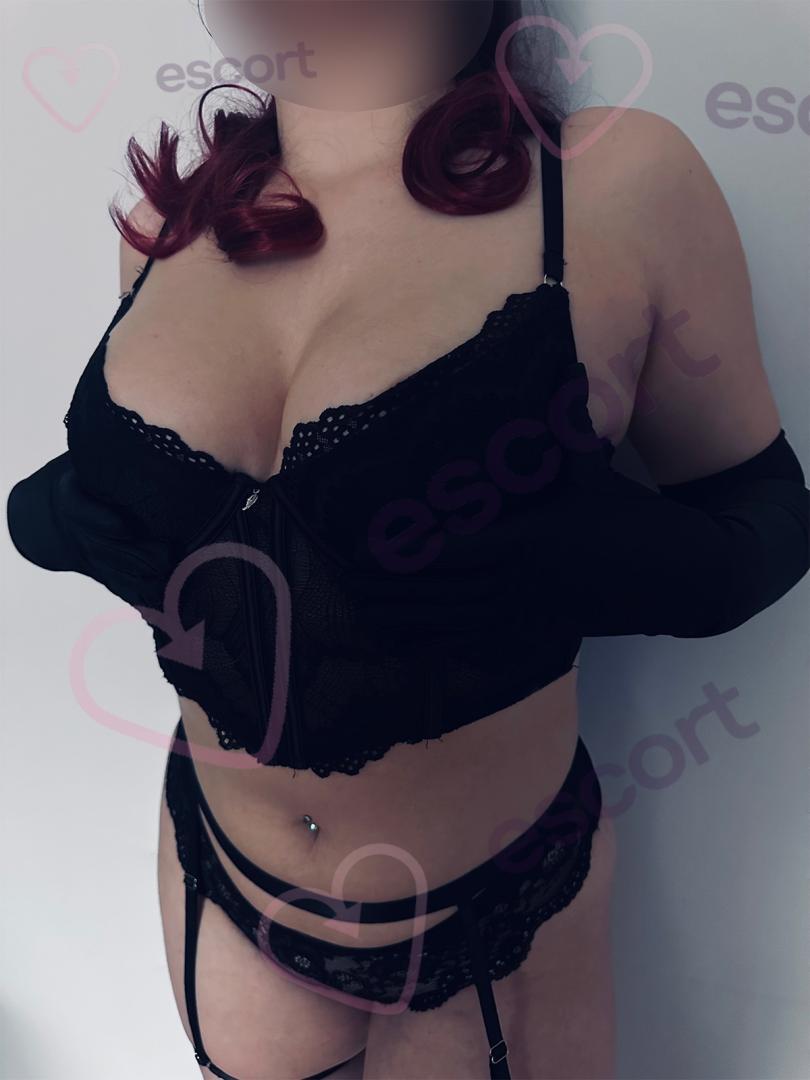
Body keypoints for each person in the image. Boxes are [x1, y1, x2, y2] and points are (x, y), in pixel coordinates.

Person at [6, 3, 809, 1078]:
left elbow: (766, 509)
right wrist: (66, 515)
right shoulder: (169, 225)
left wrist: (605, 559)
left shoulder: (614, 180)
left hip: (490, 920)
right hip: (219, 876)